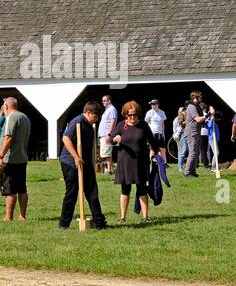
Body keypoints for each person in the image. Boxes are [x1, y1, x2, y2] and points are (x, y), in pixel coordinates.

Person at [111, 100, 164, 223]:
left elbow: (153, 142)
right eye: (130, 115)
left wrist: (155, 153)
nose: (132, 117)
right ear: (126, 115)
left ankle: (145, 218)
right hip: (125, 163)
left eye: (135, 114)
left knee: (142, 189)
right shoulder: (120, 125)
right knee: (125, 190)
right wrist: (115, 139)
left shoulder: (143, 125)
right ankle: (122, 218)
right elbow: (111, 139)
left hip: (140, 163)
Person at [58, 101, 108, 230]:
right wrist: (76, 157)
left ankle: (100, 223)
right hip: (70, 162)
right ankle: (64, 224)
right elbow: (66, 138)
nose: (96, 120)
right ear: (89, 113)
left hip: (85, 162)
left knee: (92, 192)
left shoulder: (90, 127)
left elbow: (91, 148)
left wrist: (92, 164)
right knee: (72, 193)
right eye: (95, 117)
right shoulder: (77, 122)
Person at [0, 96, 31, 221]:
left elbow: (8, 138)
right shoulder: (25, 117)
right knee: (22, 189)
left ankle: (8, 216)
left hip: (10, 159)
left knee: (10, 189)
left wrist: (1, 155)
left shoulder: (11, 117)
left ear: (6, 106)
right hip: (22, 158)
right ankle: (22, 216)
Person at [182, 91, 203, 177]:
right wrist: (208, 114)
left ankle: (193, 171)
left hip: (196, 132)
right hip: (191, 132)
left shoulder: (196, 106)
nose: (201, 99)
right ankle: (187, 172)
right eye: (200, 97)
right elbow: (198, 119)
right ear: (195, 97)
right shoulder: (191, 107)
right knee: (193, 152)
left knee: (197, 152)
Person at [98, 95, 118, 175]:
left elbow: (113, 122)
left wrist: (109, 134)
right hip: (103, 135)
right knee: (104, 153)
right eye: (102, 100)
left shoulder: (112, 109)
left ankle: (109, 170)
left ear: (109, 101)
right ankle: (108, 169)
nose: (103, 102)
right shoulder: (107, 110)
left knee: (107, 153)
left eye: (104, 100)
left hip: (107, 135)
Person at [173, 107, 188, 174]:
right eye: (179, 111)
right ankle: (180, 167)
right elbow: (175, 129)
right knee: (183, 151)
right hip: (180, 135)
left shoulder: (185, 117)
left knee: (182, 151)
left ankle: (181, 167)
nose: (179, 113)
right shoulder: (176, 119)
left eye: (181, 111)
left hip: (185, 134)